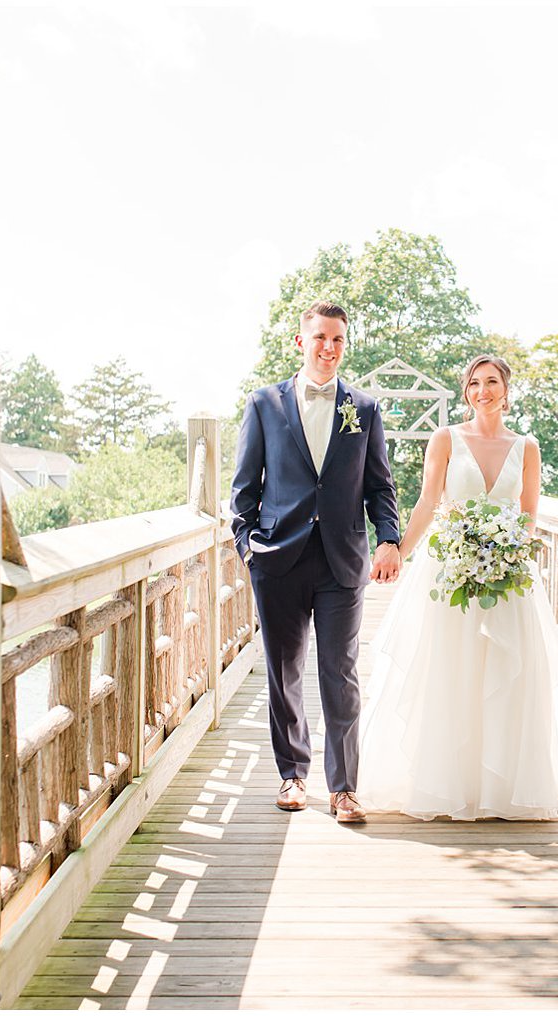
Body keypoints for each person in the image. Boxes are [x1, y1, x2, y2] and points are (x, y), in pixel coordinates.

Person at [358, 354, 558, 820]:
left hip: (506, 577)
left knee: (504, 673)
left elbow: (527, 516)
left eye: (491, 382)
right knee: (452, 670)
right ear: (466, 392)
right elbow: (428, 502)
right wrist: (397, 552)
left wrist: (509, 558)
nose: (482, 391)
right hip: (448, 574)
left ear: (506, 389)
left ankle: (499, 786)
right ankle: (451, 781)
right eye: (474, 384)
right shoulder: (445, 439)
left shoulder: (527, 447)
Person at [229, 300, 401, 823]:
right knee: (283, 672)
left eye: (338, 340)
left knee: (340, 673)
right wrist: (248, 549)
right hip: (278, 558)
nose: (329, 348)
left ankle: (344, 787)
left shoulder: (364, 409)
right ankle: (291, 775)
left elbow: (380, 486)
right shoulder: (263, 405)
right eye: (320, 338)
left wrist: (389, 538)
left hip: (342, 561)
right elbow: (243, 492)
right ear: (300, 342)